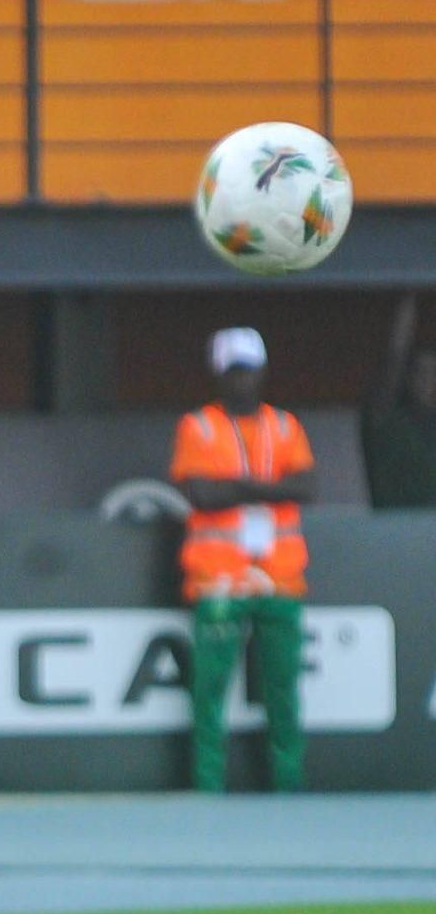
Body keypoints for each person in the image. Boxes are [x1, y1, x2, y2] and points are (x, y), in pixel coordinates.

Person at [171, 327, 313, 794]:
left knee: (284, 693)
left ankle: (289, 786)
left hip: (280, 578)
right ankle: (207, 789)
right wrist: (269, 487)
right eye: (233, 372)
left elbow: (307, 488)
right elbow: (201, 495)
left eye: (250, 371)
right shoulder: (199, 426)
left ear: (263, 372)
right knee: (209, 695)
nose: (243, 381)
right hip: (219, 580)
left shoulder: (286, 425)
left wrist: (237, 487)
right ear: (218, 376)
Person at [361, 294, 436, 510]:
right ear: (408, 379)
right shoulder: (387, 424)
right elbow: (394, 358)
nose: (429, 382)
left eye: (434, 374)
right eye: (421, 373)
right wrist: (408, 292)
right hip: (394, 537)